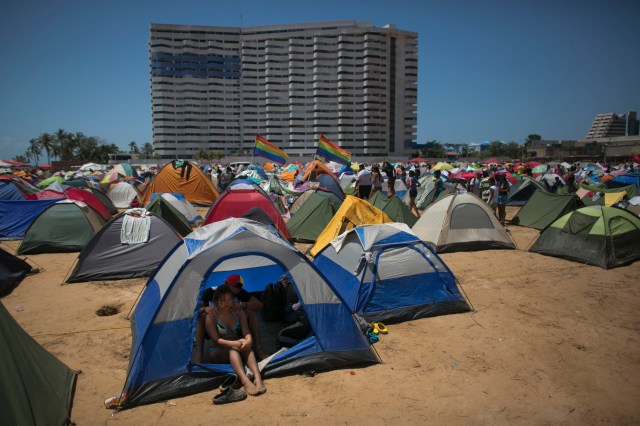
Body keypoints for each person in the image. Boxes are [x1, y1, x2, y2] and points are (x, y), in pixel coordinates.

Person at [204, 285, 266, 396]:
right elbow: (216, 340)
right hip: (217, 349)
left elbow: (246, 332)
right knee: (233, 350)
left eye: (229, 300)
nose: (226, 303)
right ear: (216, 301)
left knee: (246, 347)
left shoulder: (238, 312)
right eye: (222, 300)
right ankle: (245, 381)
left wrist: (248, 340)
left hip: (237, 346)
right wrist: (233, 343)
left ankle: (257, 377)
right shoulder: (211, 316)